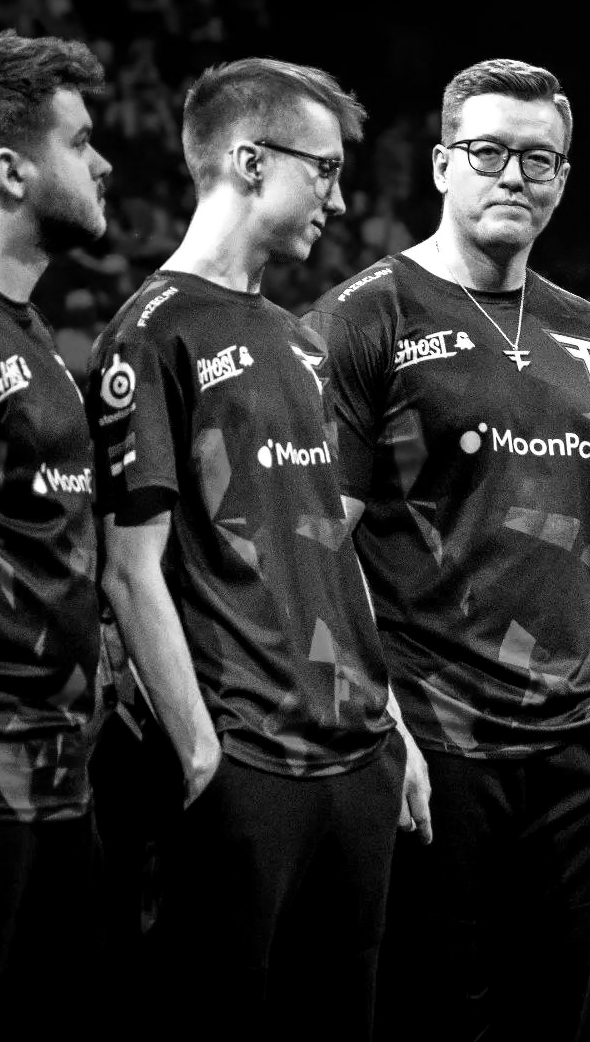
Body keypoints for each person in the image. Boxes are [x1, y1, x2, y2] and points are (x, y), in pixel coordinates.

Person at [303, 58, 590, 1041]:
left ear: (563, 179)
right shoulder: (363, 315)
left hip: (584, 741)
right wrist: (382, 717)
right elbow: (322, 539)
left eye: (539, 159)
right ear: (441, 165)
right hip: (436, 734)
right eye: (490, 151)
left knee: (553, 1017)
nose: (514, 175)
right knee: (434, 1017)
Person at [90, 58, 420, 1037]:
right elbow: (129, 569)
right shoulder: (151, 334)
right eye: (324, 169)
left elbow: (331, 541)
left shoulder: (301, 339)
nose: (340, 199)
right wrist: (202, 756)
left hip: (355, 757)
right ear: (249, 159)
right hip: (247, 765)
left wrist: (393, 723)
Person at [0, 32, 108, 1028]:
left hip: (51, 773)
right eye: (80, 142)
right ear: (9, 170)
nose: (103, 162)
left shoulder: (17, 323)